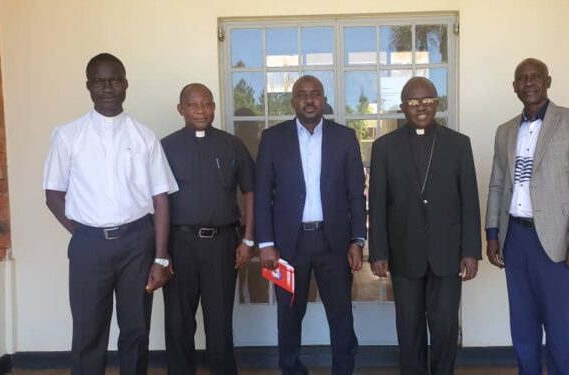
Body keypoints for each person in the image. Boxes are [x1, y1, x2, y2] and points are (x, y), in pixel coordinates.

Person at [43, 53, 178, 374]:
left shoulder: (144, 137)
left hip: (137, 243)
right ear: (88, 86)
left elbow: (161, 200)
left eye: (115, 80)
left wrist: (160, 258)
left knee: (135, 330)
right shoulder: (68, 135)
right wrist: (85, 234)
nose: (107, 88)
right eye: (99, 82)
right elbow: (52, 195)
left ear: (126, 84)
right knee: (89, 331)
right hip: (88, 244)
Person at [485, 58, 569, 375]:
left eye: (535, 77)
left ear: (548, 81)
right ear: (514, 87)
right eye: (521, 78)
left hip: (557, 239)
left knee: (556, 322)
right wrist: (493, 233)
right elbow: (497, 184)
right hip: (515, 239)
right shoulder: (505, 131)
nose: (528, 82)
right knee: (521, 324)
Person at [368, 76, 481, 374]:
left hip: (447, 253)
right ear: (403, 107)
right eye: (414, 102)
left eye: (427, 100)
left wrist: (471, 251)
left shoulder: (458, 144)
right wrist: (377, 251)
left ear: (437, 104)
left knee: (444, 329)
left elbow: (470, 201)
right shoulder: (384, 147)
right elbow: (377, 205)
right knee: (409, 329)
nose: (421, 107)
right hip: (404, 253)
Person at [254, 75, 366, 375]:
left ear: (323, 99)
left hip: (335, 244)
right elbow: (262, 193)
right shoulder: (273, 138)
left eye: (315, 93)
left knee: (341, 317)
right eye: (302, 94)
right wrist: (265, 243)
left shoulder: (345, 137)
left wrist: (358, 239)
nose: (309, 99)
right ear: (292, 101)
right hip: (288, 247)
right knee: (288, 316)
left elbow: (356, 193)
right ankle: (291, 370)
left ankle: (343, 370)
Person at [161, 83, 255, 375]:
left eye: (207, 104)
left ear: (214, 107)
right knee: (178, 323)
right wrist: (161, 253)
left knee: (219, 322)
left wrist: (248, 238)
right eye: (193, 104)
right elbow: (156, 200)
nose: (201, 110)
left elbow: (251, 191)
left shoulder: (232, 145)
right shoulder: (164, 147)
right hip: (180, 244)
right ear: (181, 110)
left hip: (222, 245)